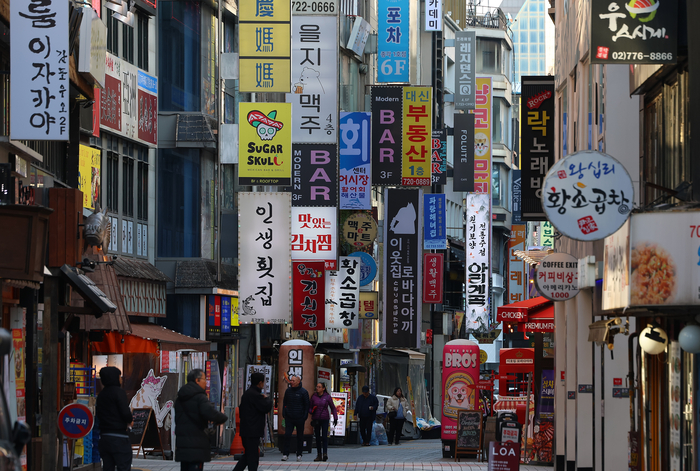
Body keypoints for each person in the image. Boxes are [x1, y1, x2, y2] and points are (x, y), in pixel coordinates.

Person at [174, 369, 228, 471]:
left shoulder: (180, 398)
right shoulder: (200, 397)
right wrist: (222, 418)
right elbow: (209, 413)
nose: (206, 382)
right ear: (197, 380)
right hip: (197, 443)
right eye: (204, 379)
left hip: (183, 443)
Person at [233, 372, 272, 471]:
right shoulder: (256, 395)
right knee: (253, 457)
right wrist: (268, 399)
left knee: (249, 455)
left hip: (246, 430)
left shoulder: (247, 394)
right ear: (260, 383)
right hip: (253, 431)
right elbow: (266, 407)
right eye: (263, 382)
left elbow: (241, 410)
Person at [96, 366, 133, 471]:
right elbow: (125, 412)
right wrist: (130, 420)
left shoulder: (101, 395)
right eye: (119, 376)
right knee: (123, 466)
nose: (121, 379)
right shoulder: (118, 392)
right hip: (119, 437)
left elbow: (99, 414)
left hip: (104, 437)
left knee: (108, 467)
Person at [281, 375, 310, 462]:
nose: (291, 382)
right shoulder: (288, 391)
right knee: (287, 435)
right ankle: (285, 454)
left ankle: (299, 454)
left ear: (298, 382)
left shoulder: (303, 392)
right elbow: (284, 402)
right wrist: (284, 412)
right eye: (291, 380)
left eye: (293, 381)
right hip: (289, 417)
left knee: (300, 436)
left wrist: (304, 416)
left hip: (299, 417)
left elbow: (306, 405)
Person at [309, 383, 338, 462]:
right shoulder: (314, 397)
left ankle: (325, 453)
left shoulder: (327, 397)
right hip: (316, 419)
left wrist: (335, 418)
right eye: (317, 387)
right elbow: (310, 407)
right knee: (317, 437)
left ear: (323, 388)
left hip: (325, 418)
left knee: (324, 437)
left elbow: (333, 408)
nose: (317, 388)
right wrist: (312, 411)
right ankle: (319, 454)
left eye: (319, 387)